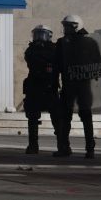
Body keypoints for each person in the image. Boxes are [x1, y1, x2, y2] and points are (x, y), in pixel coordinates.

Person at [56, 14, 101, 159]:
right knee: (69, 117)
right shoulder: (87, 43)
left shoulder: (69, 43)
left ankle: (84, 148)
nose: (65, 29)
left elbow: (96, 65)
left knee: (81, 116)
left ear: (76, 26)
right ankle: (70, 147)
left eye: (68, 26)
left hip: (79, 85)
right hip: (75, 85)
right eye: (65, 26)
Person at [23, 24, 68, 156]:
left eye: (42, 34)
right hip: (35, 88)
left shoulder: (53, 49)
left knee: (57, 119)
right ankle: (33, 146)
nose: (39, 37)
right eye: (37, 34)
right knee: (32, 118)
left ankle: (62, 146)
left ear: (49, 36)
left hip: (49, 87)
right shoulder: (31, 50)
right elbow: (30, 60)